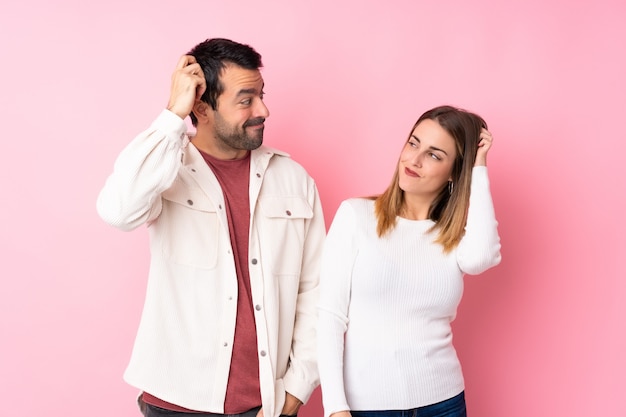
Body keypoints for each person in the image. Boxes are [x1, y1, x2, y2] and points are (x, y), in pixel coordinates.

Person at [97, 38, 325, 417]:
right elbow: (118, 211)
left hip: (266, 403)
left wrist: (298, 387)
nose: (263, 110)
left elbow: (316, 289)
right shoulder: (167, 169)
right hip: (177, 402)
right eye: (246, 99)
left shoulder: (294, 179)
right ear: (201, 107)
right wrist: (172, 114)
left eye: (262, 95)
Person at [317, 105, 502, 417]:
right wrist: (335, 408)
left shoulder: (452, 235)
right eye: (413, 143)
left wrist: (479, 169)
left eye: (434, 154)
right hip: (369, 407)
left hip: (444, 401)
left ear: (455, 172)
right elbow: (329, 317)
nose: (413, 160)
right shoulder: (356, 216)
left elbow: (482, 258)